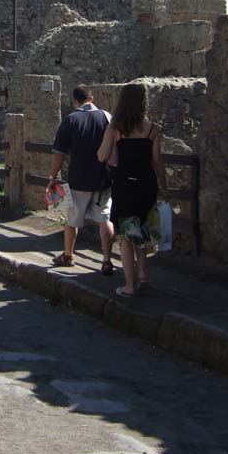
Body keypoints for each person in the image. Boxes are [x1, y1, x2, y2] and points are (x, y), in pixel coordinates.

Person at [97, 83, 168, 297]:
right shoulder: (153, 129)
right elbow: (157, 162)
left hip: (125, 185)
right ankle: (143, 276)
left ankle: (129, 284)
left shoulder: (116, 128)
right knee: (142, 231)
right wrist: (164, 188)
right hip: (146, 185)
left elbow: (101, 156)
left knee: (126, 236)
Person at [46, 85, 115, 274]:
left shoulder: (70, 120)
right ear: (91, 99)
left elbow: (59, 154)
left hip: (78, 179)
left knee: (71, 220)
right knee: (105, 219)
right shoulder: (107, 117)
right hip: (103, 179)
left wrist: (53, 177)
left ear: (75, 101)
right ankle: (107, 259)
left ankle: (68, 255)